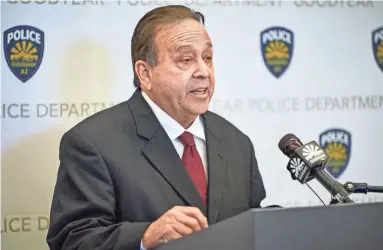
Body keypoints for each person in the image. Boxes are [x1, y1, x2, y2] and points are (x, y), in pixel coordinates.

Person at [46, 5, 266, 250]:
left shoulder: (236, 142)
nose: (204, 71)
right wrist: (145, 237)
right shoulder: (92, 143)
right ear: (145, 73)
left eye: (207, 58)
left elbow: (252, 224)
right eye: (186, 60)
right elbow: (71, 240)